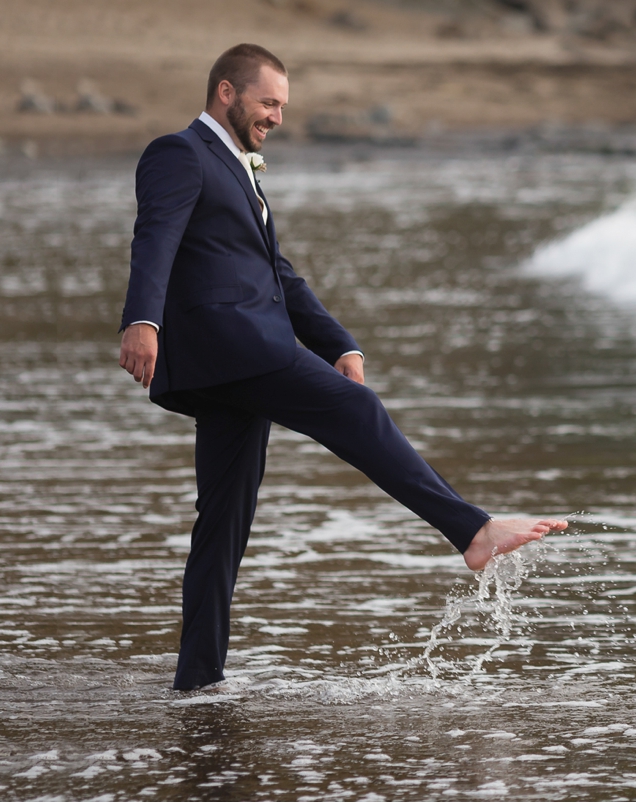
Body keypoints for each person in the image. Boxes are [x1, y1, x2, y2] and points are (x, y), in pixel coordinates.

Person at [117, 43, 566, 692]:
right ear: (225, 92)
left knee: (223, 523)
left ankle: (197, 679)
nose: (276, 116)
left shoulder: (240, 166)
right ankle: (472, 529)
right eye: (268, 101)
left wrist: (337, 341)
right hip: (237, 346)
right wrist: (144, 319)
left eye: (282, 105)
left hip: (233, 360)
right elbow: (154, 235)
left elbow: (277, 273)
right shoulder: (178, 152)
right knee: (356, 410)